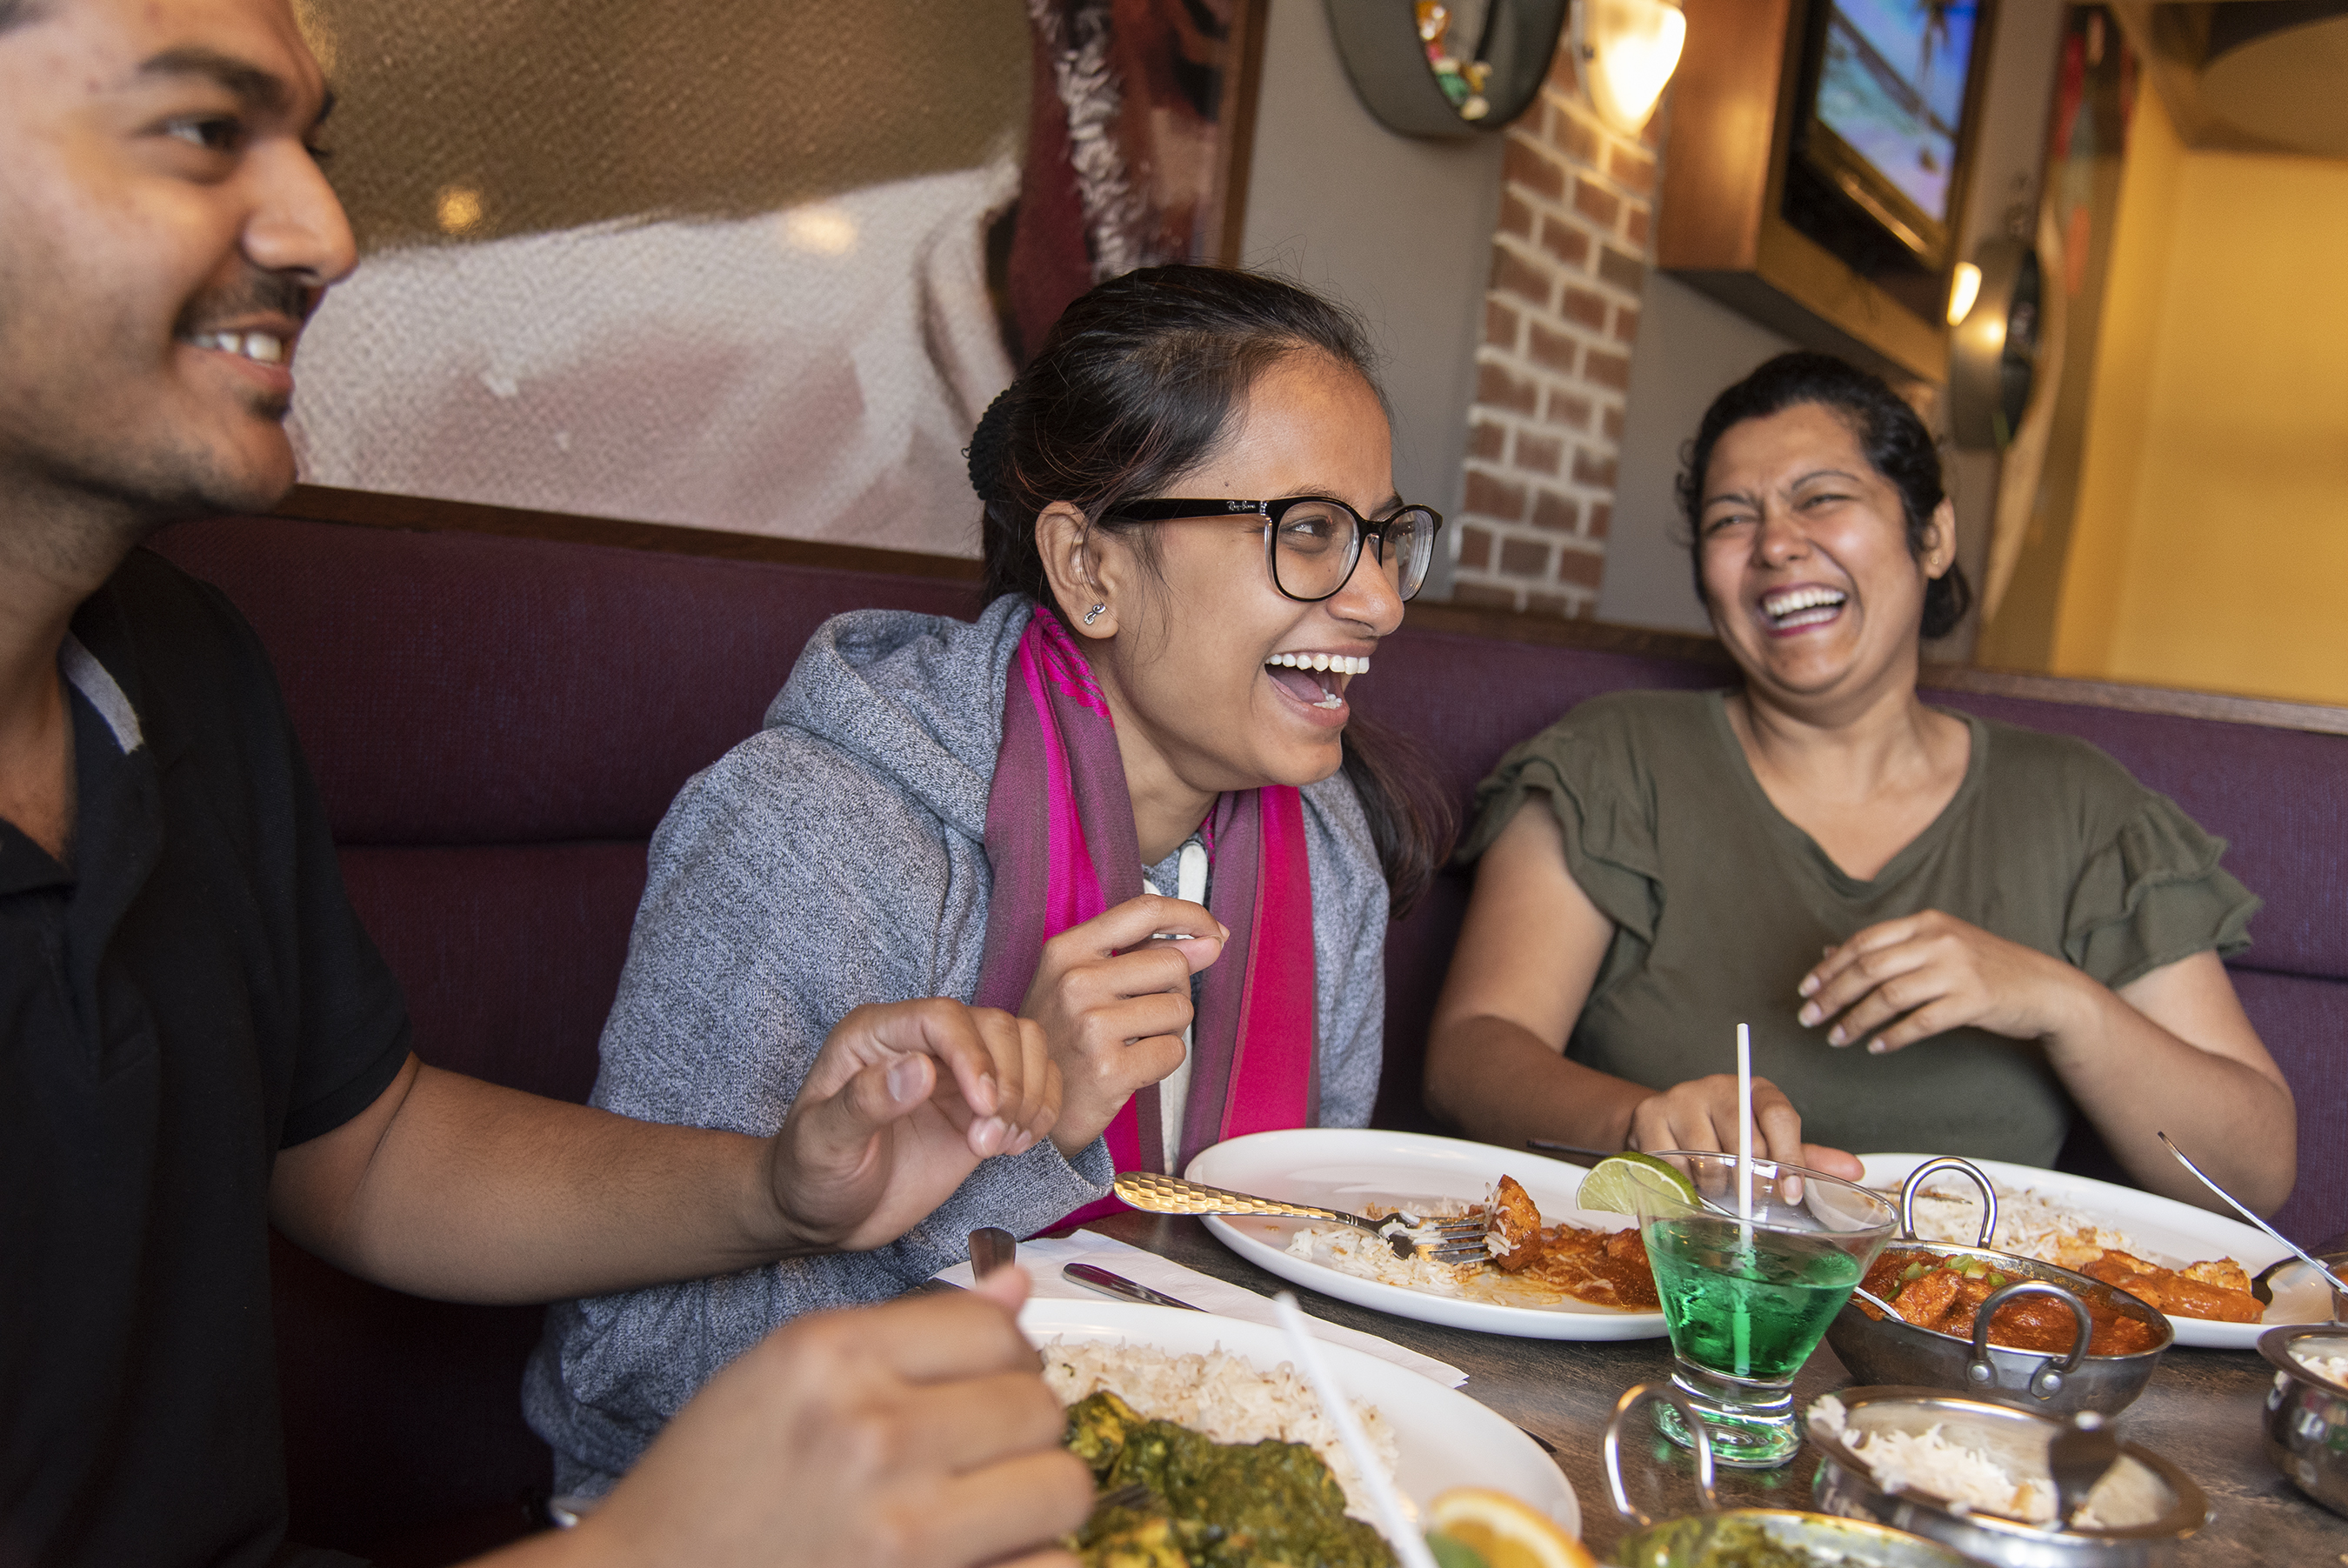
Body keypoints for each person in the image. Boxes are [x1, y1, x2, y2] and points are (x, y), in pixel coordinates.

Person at [0, 0, 1091, 1564]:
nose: (324, 229)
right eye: (200, 130)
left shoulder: (179, 667)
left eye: (313, 146)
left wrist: (787, 1191)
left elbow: (368, 1148)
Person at [526, 264, 1451, 1494]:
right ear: (1089, 567)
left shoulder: (1330, 853)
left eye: (1383, 535)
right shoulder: (812, 829)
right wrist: (1026, 1130)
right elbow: (635, 1364)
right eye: (1310, 531)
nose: (1381, 599)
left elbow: (1309, 1291)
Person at [1424, 351, 2296, 1216]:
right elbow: (1470, 1056)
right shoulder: (1609, 761)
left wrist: (2061, 1003)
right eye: (1732, 519)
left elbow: (2255, 1176)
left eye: (1822, 498)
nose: (1774, 545)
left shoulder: (2081, 808)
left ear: (1934, 535)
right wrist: (1640, 1124)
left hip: (1971, 1330)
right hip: (1649, 1296)